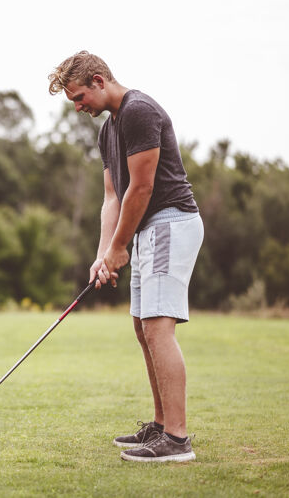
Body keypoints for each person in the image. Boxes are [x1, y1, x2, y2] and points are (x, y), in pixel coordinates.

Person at [48, 51, 203, 462]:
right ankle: (160, 426)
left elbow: (142, 188)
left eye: (79, 97)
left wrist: (120, 247)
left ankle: (177, 439)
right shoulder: (107, 131)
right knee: (142, 328)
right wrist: (103, 254)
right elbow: (113, 196)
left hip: (170, 220)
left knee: (157, 329)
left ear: (99, 81)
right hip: (147, 230)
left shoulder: (138, 111)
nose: (78, 107)